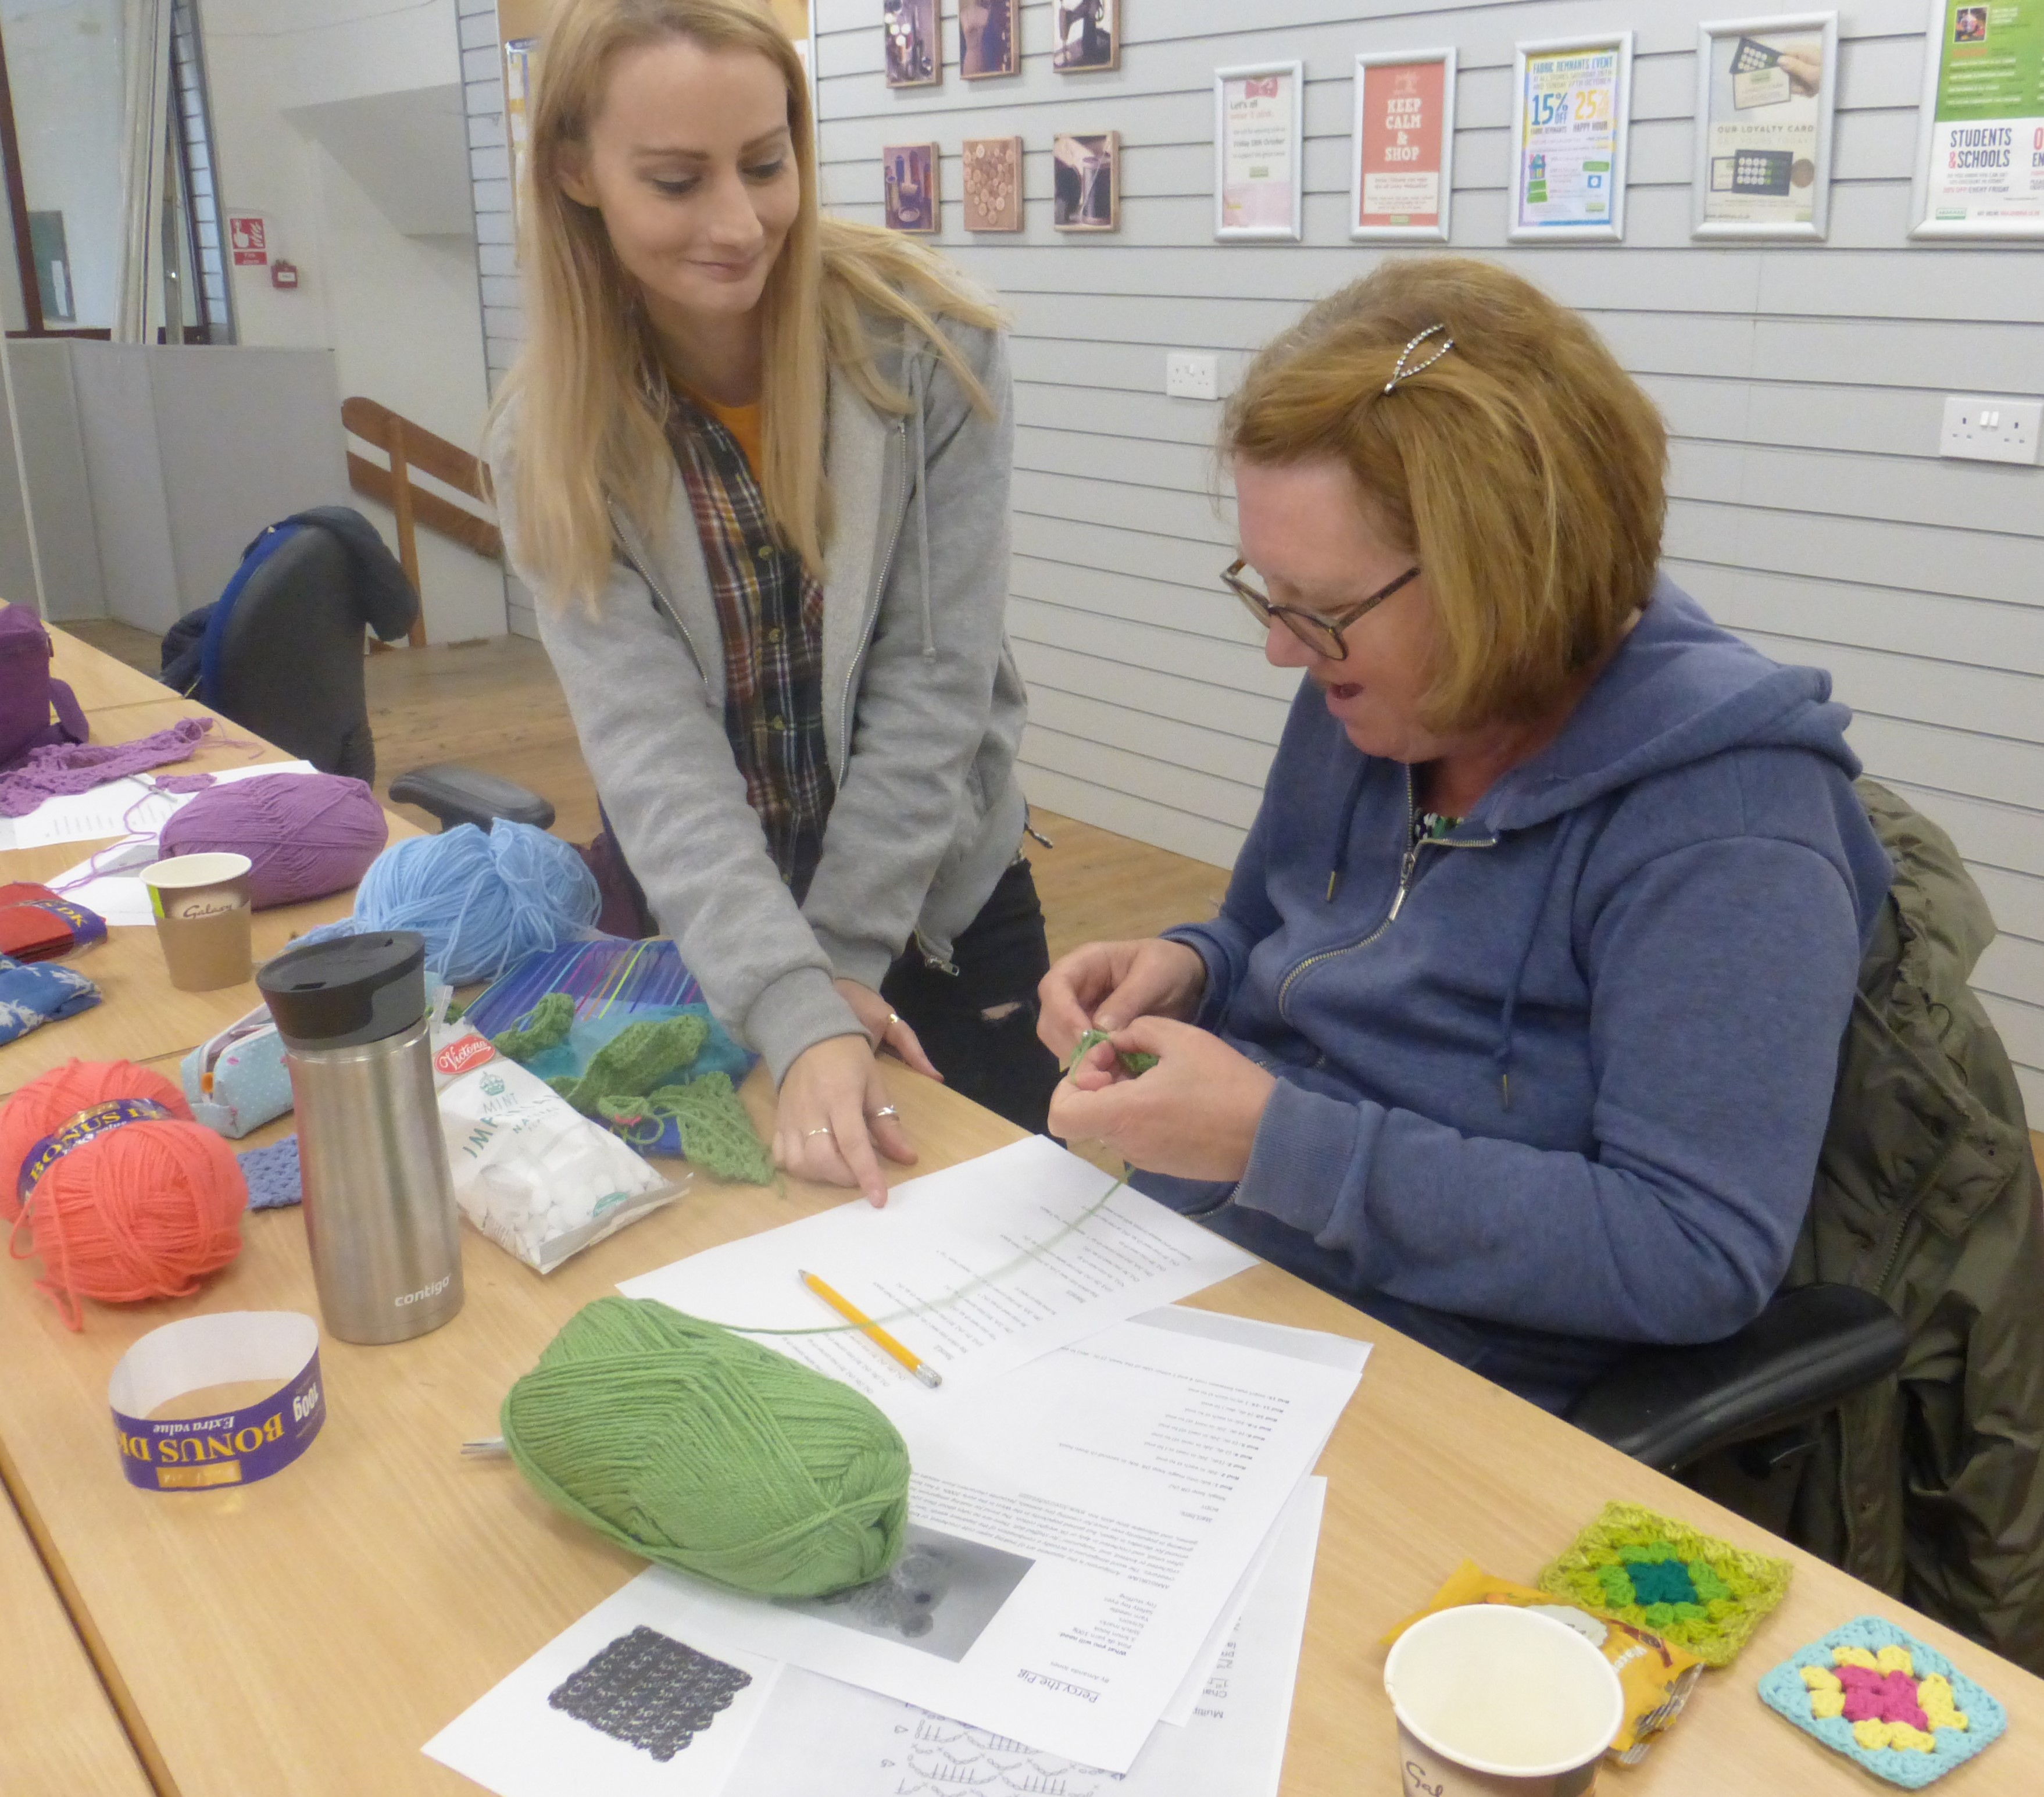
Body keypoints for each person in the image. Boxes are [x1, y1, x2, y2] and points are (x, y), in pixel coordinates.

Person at [1039, 257, 1893, 1412]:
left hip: (1447, 1373)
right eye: (1269, 592)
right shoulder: (1377, 694)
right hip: (1215, 1266)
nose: (1283, 652)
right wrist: (1193, 968)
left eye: (1324, 611)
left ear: (1513, 575)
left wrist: (1273, 1141)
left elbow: (1695, 1253)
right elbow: (1270, 925)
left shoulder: (1731, 828)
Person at [488, 0, 1057, 1205]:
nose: (740, 223)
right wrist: (791, 1002)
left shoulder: (928, 348)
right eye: (677, 181)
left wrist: (840, 971)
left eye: (765, 164)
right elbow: (654, 755)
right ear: (576, 173)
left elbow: (934, 685)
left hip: (943, 913)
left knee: (994, 1235)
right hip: (714, 923)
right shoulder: (549, 441)